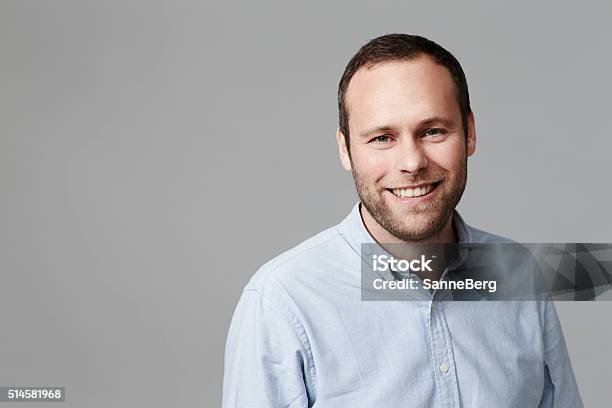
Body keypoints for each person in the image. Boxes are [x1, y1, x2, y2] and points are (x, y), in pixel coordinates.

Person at [222, 34, 582, 407]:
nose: (412, 162)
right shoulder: (282, 301)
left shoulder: (517, 273)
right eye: (382, 138)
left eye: (433, 131)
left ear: (470, 133)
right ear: (345, 149)